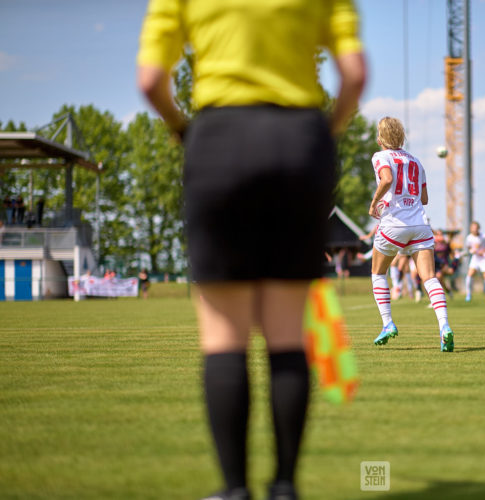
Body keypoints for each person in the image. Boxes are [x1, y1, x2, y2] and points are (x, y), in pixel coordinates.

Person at [137, 2, 366, 499]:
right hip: (298, 141)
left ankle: (234, 489)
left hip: (219, 140)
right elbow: (354, 74)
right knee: (287, 333)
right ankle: (284, 487)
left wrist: (183, 128)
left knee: (224, 336)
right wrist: (324, 133)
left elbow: (151, 78)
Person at [368, 117, 454, 352]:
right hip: (420, 224)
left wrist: (375, 202)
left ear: (381, 138)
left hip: (394, 223)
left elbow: (386, 179)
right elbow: (424, 199)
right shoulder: (416, 162)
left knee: (378, 272)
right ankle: (444, 326)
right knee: (429, 278)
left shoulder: (380, 156)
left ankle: (388, 324)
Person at [464, 221, 485, 302]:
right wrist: (471, 251)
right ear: (471, 229)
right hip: (476, 258)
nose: (474, 230)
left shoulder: (484, 236)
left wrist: (483, 251)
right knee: (469, 275)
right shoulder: (469, 237)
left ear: (478, 228)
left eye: (476, 228)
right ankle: (468, 294)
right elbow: (469, 247)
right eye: (473, 228)